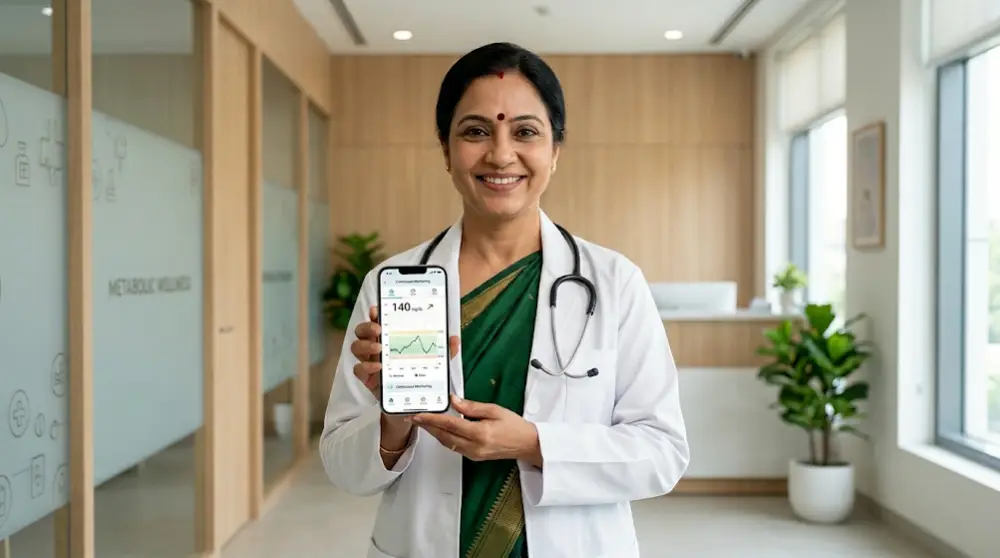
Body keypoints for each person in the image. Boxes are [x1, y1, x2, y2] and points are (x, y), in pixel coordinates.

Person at [320, 42, 689, 558]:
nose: (500, 153)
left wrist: (533, 443)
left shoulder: (614, 283)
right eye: (475, 131)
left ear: (555, 151)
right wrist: (394, 421)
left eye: (525, 132)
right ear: (446, 150)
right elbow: (342, 465)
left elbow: (662, 453)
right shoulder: (391, 283)